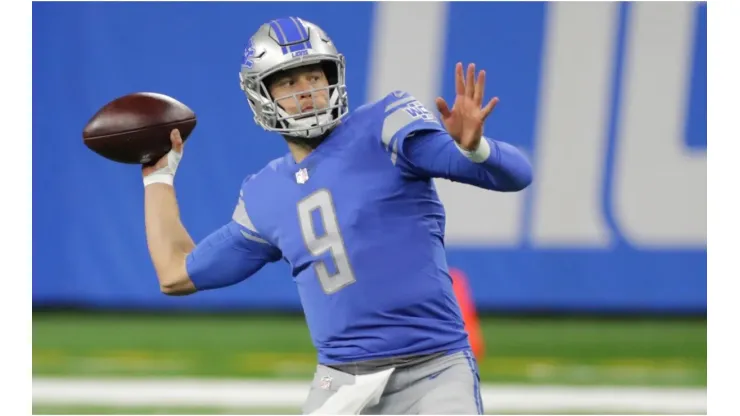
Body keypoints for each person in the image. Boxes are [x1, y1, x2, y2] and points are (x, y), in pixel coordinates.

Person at [142, 17, 532, 415]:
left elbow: (516, 175)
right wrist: (159, 178)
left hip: (432, 368)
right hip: (340, 381)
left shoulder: (383, 126)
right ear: (263, 95)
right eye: (289, 83)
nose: (307, 91)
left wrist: (476, 149)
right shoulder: (264, 193)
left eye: (314, 76)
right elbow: (175, 274)